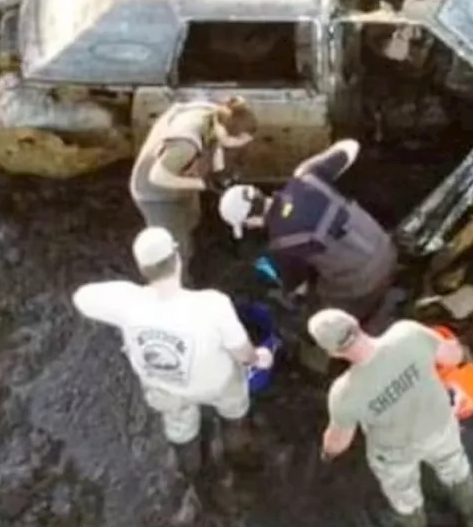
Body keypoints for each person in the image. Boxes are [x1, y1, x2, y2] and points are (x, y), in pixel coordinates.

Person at [71, 227, 273, 471]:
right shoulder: (213, 304)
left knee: (181, 431)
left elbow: (81, 297)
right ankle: (239, 458)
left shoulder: (127, 302)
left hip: (165, 387)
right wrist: (258, 359)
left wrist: (128, 292)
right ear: (177, 259)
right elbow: (242, 352)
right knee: (234, 414)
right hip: (217, 383)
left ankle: (194, 475)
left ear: (143, 269)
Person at [310, 308, 473, 527]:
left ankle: (415, 521)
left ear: (332, 352)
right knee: (456, 468)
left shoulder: (343, 393)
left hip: (394, 453)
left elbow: (339, 441)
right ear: (355, 321)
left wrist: (327, 454)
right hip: (439, 426)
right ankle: (470, 515)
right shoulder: (408, 334)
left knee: (403, 493)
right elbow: (453, 357)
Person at [216, 139, 398, 325]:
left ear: (250, 221)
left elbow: (300, 287)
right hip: (386, 247)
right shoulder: (306, 177)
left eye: (246, 226)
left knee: (324, 310)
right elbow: (351, 147)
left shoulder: (282, 243)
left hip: (365, 284)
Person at [129, 96, 258, 265]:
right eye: (237, 141)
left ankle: (193, 248)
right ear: (224, 131)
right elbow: (156, 176)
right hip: (156, 195)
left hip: (182, 183)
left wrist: (217, 171)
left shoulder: (216, 115)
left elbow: (215, 143)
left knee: (191, 218)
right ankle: (180, 281)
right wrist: (202, 183)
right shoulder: (185, 145)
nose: (239, 146)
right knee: (175, 247)